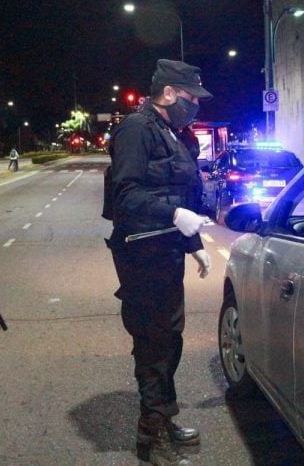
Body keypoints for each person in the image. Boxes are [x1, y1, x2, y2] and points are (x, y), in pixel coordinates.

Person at [106, 59, 213, 466]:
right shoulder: (137, 130)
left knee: (170, 338)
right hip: (141, 255)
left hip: (168, 252)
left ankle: (163, 416)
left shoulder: (174, 133)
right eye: (189, 97)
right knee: (152, 342)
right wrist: (173, 217)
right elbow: (126, 195)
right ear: (168, 93)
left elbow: (182, 197)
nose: (194, 106)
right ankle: (150, 437)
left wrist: (194, 243)